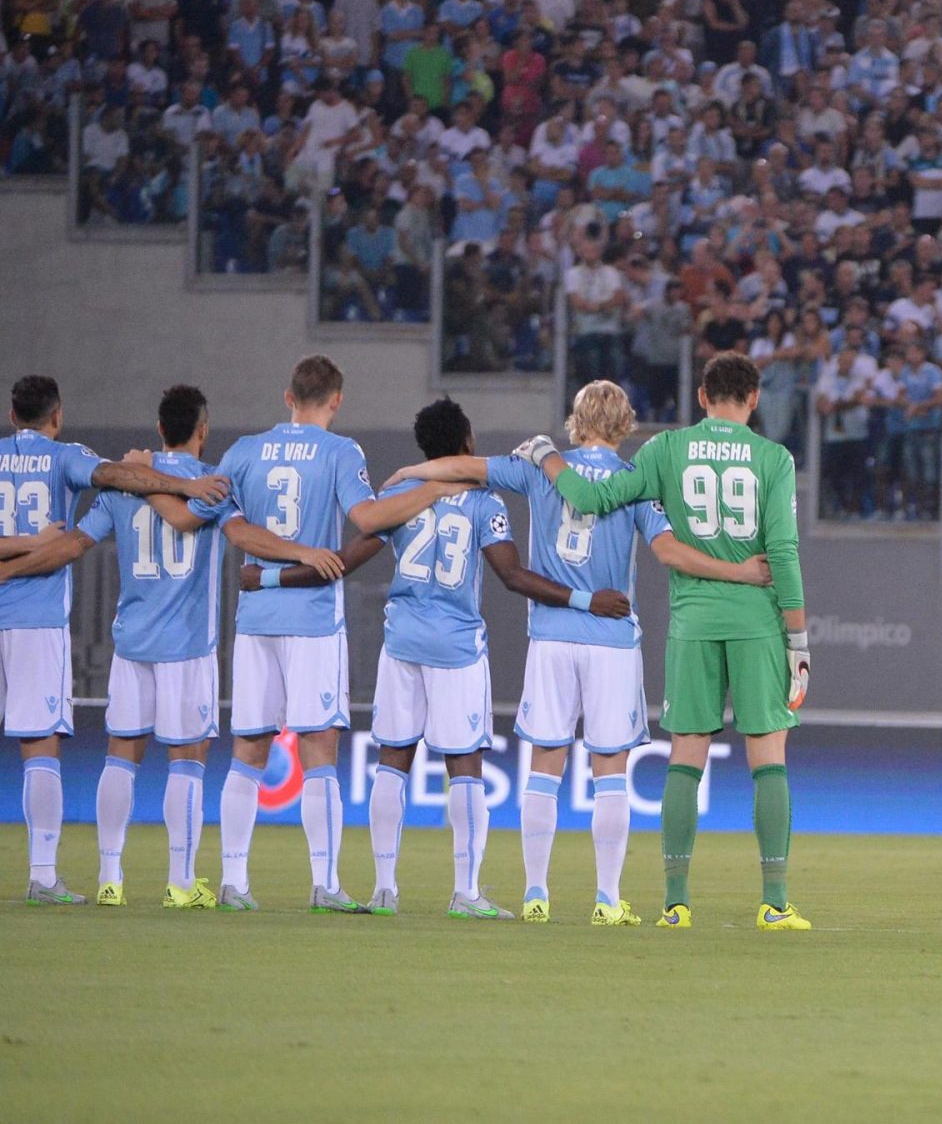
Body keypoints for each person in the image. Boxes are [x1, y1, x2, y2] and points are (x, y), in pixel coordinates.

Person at [382, 380, 774, 923]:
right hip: (611, 639)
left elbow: (464, 468)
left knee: (545, 765)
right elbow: (668, 552)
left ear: (576, 420)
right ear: (625, 424)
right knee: (609, 769)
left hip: (551, 635)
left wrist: (411, 471)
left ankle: (535, 894)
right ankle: (607, 899)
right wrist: (738, 571)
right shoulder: (636, 481)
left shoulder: (541, 468)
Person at [257, 399, 580, 919]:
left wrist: (270, 576)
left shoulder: (398, 497)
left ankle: (385, 888)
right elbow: (511, 575)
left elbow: (346, 561)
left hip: (402, 644)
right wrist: (582, 599)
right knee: (465, 767)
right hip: (456, 648)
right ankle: (466, 892)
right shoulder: (484, 502)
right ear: (467, 442)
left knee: (393, 761)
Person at [534, 350, 812, 930]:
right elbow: (783, 553)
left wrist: (547, 457)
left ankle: (676, 904)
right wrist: (798, 639)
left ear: (703, 397)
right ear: (754, 399)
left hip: (692, 622)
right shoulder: (774, 458)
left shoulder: (666, 449)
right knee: (769, 759)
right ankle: (774, 902)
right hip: (757, 624)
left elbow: (592, 499)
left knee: (686, 757)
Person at [203, 356, 453, 912]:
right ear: (336, 400)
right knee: (319, 747)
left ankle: (233, 881)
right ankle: (325, 883)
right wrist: (433, 489)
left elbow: (233, 528)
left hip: (256, 620)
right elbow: (367, 519)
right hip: (313, 621)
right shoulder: (341, 452)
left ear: (287, 397)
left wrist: (286, 555)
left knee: (248, 748)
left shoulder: (242, 451)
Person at [0, 386, 246, 908]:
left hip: (131, 641)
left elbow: (73, 543)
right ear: (202, 430)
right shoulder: (215, 483)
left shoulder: (121, 486)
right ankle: (181, 883)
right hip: (187, 643)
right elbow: (185, 518)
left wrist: (12, 569)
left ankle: (109, 879)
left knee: (121, 755)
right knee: (188, 760)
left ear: (159, 428)